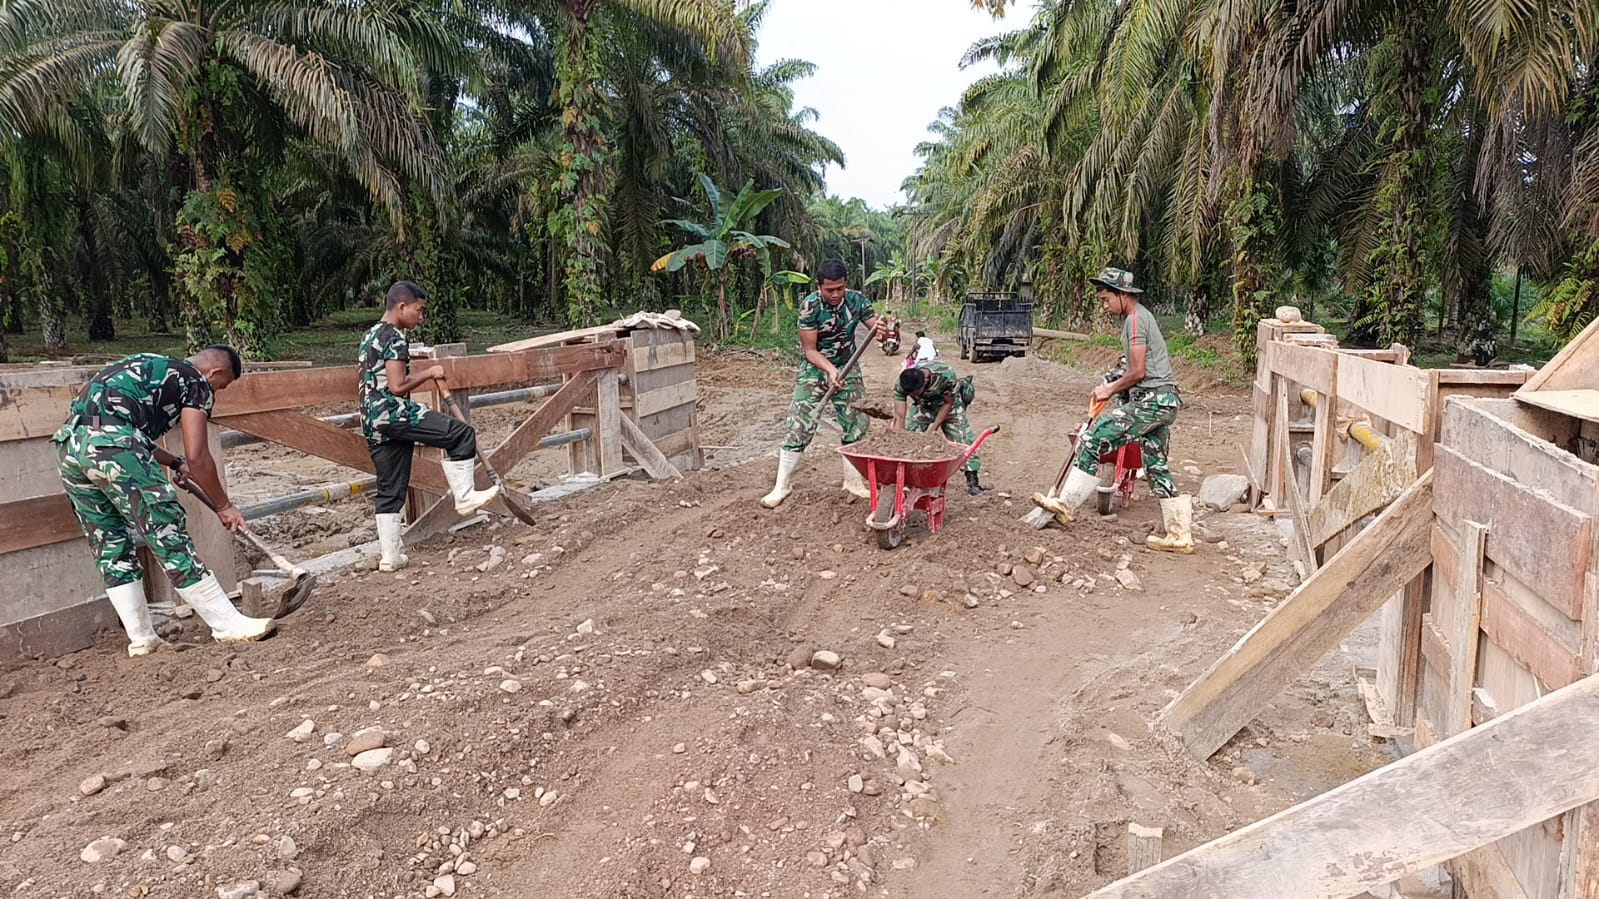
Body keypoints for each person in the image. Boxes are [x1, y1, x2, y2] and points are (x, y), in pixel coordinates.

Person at [52, 347, 277, 656]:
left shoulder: (145, 363)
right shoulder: (195, 381)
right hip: (116, 445)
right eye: (221, 386)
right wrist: (224, 505)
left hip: (70, 447)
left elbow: (112, 425)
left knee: (109, 543)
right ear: (215, 373)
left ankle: (141, 638)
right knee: (167, 532)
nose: (216, 392)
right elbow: (198, 455)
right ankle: (227, 624)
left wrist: (174, 463)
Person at [1031, 267, 1193, 552]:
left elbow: (1138, 372)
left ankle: (1065, 504)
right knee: (1156, 467)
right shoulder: (1137, 319)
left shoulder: (1135, 320)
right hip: (1164, 402)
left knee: (1093, 438)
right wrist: (1109, 383)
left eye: (1106, 299)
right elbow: (1128, 366)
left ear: (1123, 294)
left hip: (1153, 400)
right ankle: (1180, 535)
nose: (1104, 306)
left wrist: (1110, 389)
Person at [360, 280, 500, 572]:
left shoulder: (370, 334)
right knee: (461, 434)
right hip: (394, 413)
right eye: (419, 309)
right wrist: (429, 372)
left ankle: (391, 557)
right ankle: (465, 497)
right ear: (401, 307)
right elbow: (397, 386)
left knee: (390, 487)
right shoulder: (395, 337)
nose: (421, 317)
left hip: (372, 420)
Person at [761, 259, 888, 508]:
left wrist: (883, 331)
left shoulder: (857, 300)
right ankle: (782, 486)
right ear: (819, 286)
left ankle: (853, 482)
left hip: (848, 367)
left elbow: (875, 328)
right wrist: (830, 370)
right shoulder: (810, 306)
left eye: (840, 288)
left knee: (856, 422)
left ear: (845, 284)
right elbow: (809, 350)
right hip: (815, 369)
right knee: (799, 424)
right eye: (830, 290)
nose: (836, 294)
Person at [893, 361, 986, 495]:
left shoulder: (946, 375)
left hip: (949, 405)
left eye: (915, 392)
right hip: (923, 405)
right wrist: (900, 437)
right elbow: (900, 414)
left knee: (963, 439)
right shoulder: (903, 382)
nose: (912, 394)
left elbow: (948, 403)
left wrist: (933, 429)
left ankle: (973, 481)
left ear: (925, 382)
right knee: (912, 438)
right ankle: (911, 478)